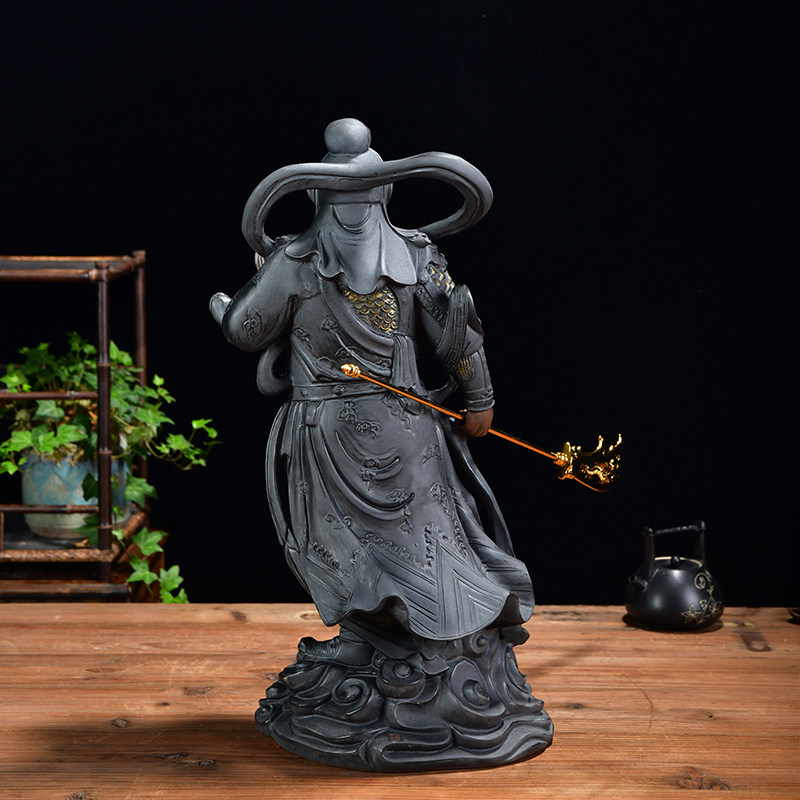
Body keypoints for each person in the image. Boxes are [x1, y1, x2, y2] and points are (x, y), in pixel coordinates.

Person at [210, 119, 551, 770]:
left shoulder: (296, 260)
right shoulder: (417, 255)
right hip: (407, 427)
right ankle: (389, 645)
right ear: (385, 192)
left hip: (331, 434)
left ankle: (434, 652)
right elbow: (457, 335)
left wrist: (228, 301)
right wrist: (479, 396)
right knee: (422, 540)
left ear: (318, 193)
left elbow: (247, 330)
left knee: (366, 547)